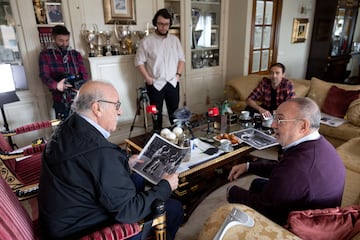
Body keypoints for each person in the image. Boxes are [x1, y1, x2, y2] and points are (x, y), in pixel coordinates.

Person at [38, 81, 183, 240]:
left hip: (65, 217)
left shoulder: (68, 125)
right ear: (97, 108)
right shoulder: (99, 153)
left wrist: (124, 162)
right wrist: (165, 186)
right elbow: (128, 212)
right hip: (84, 230)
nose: (120, 112)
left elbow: (90, 165)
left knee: (138, 176)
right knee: (174, 208)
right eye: (116, 105)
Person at [227, 97, 346, 226]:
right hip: (312, 206)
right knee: (257, 183)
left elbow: (266, 207)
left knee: (240, 193)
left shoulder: (297, 169)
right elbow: (282, 168)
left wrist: (231, 191)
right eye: (274, 118)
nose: (273, 125)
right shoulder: (319, 145)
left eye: (280, 120)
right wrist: (249, 166)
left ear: (303, 126)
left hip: (299, 226)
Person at [135, 8, 185, 131]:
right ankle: (157, 137)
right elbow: (139, 62)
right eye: (160, 24)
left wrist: (178, 75)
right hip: (155, 83)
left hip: (173, 82)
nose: (163, 27)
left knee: (174, 113)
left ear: (169, 24)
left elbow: (181, 59)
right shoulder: (146, 41)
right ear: (155, 23)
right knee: (156, 115)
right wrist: (147, 78)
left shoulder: (175, 40)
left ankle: (176, 136)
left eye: (166, 24)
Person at [39, 25, 88, 120]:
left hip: (78, 97)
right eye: (61, 40)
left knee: (82, 125)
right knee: (64, 128)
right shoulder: (45, 55)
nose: (64, 44)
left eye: (66, 40)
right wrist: (56, 85)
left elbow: (84, 73)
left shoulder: (75, 54)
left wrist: (81, 86)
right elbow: (44, 75)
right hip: (60, 98)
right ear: (53, 38)